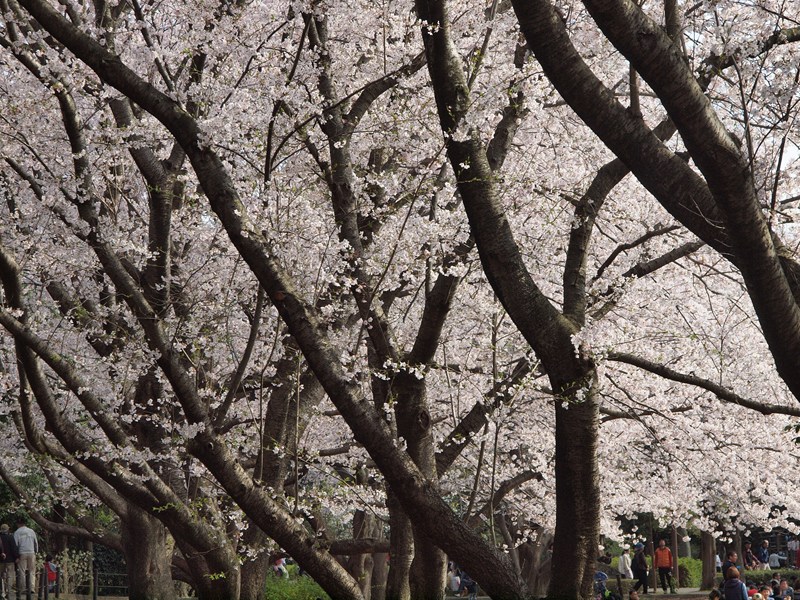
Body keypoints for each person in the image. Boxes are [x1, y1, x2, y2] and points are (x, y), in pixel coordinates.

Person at [13, 520, 37, 594]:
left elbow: (15, 545)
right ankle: (32, 588)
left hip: (22, 553)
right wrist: (35, 552)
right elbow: (35, 542)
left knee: (22, 571)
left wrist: (16, 556)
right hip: (31, 552)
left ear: (18, 524)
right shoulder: (31, 531)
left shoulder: (17, 532)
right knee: (31, 571)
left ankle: (23, 588)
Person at [0, 525, 16, 600]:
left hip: (1, 561)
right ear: (7, 530)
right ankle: (8, 591)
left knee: (1, 576)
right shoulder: (10, 537)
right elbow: (14, 548)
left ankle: (2, 591)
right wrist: (17, 557)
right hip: (10, 560)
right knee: (9, 575)